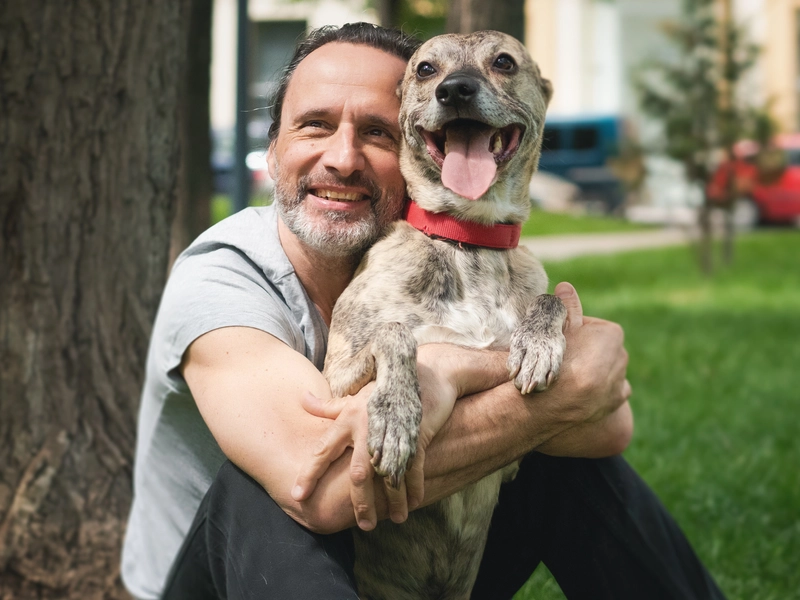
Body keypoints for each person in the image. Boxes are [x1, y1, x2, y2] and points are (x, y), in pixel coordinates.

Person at [121, 22, 725, 600]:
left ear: (410, 143)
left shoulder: (472, 266)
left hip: (420, 565)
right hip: (241, 572)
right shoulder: (221, 274)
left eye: (376, 132)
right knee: (255, 485)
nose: (342, 158)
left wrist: (538, 368)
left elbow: (609, 433)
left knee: (563, 457)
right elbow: (319, 489)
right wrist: (460, 371)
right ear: (273, 151)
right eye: (313, 126)